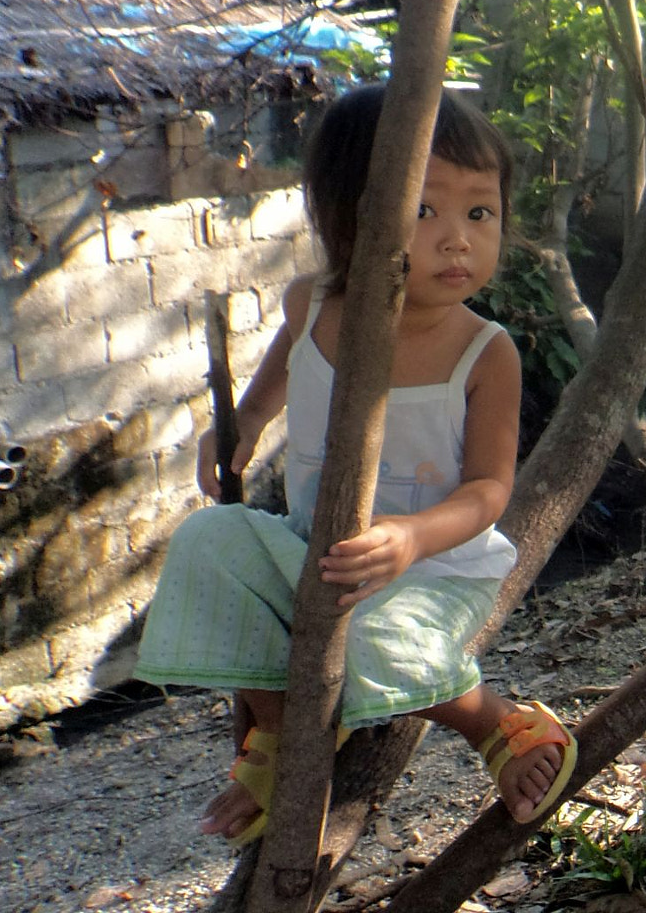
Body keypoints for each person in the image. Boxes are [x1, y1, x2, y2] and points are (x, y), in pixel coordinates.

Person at [135, 84, 576, 846]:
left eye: (479, 212)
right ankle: (276, 733)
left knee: (369, 637)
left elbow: (489, 490)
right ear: (352, 216)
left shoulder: (485, 353)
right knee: (210, 542)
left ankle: (493, 722)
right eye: (425, 210)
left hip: (431, 572)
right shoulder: (312, 305)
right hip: (315, 554)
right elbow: (268, 392)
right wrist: (238, 427)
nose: (458, 239)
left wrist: (410, 539)